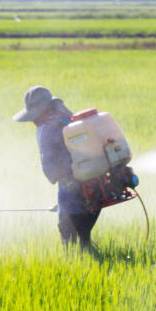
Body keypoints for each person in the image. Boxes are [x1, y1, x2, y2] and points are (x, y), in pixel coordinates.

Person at [13, 85, 100, 255]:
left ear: (42, 111)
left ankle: (79, 264)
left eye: (34, 116)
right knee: (84, 236)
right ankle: (87, 254)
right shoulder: (69, 119)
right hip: (96, 183)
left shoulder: (46, 129)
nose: (32, 121)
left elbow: (52, 168)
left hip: (72, 186)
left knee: (71, 244)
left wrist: (66, 200)